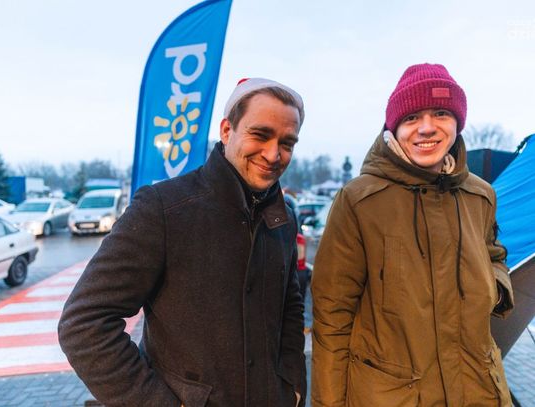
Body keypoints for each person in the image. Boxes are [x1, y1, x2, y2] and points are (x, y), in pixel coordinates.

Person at [58, 78, 307, 407]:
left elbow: (290, 308)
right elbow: (84, 324)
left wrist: (293, 386)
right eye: (260, 135)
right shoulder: (163, 208)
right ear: (227, 130)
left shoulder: (284, 216)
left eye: (287, 143)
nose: (273, 154)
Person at [311, 63, 514, 406]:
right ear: (395, 128)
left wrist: (493, 288)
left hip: (477, 390)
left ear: (458, 122)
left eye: (441, 113)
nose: (426, 127)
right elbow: (332, 318)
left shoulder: (480, 195)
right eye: (411, 117)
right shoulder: (359, 200)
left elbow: (494, 256)